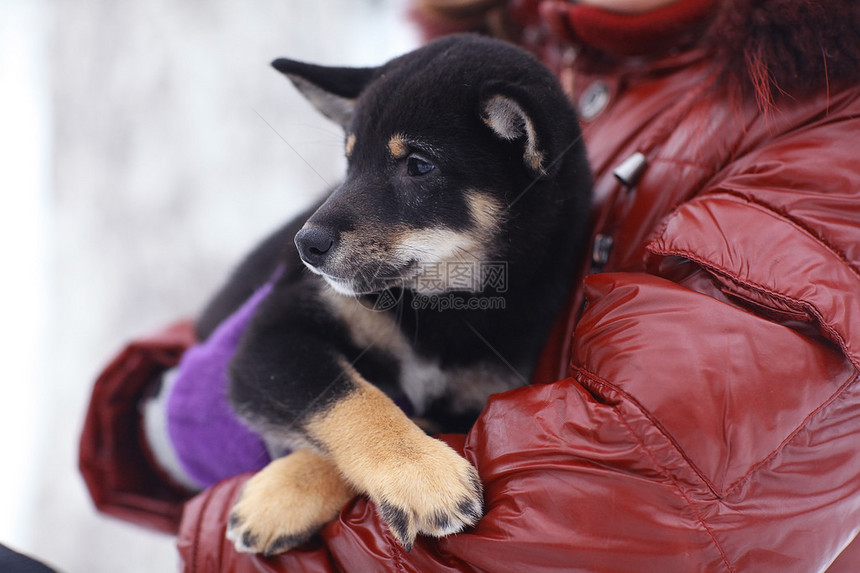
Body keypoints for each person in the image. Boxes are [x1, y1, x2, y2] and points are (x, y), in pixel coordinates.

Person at [80, 0, 860, 570]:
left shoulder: (821, 138)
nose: (339, 210)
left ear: (520, 139)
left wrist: (342, 465)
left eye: (412, 166)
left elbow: (631, 498)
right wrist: (172, 406)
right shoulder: (551, 48)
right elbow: (270, 359)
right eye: (356, 161)